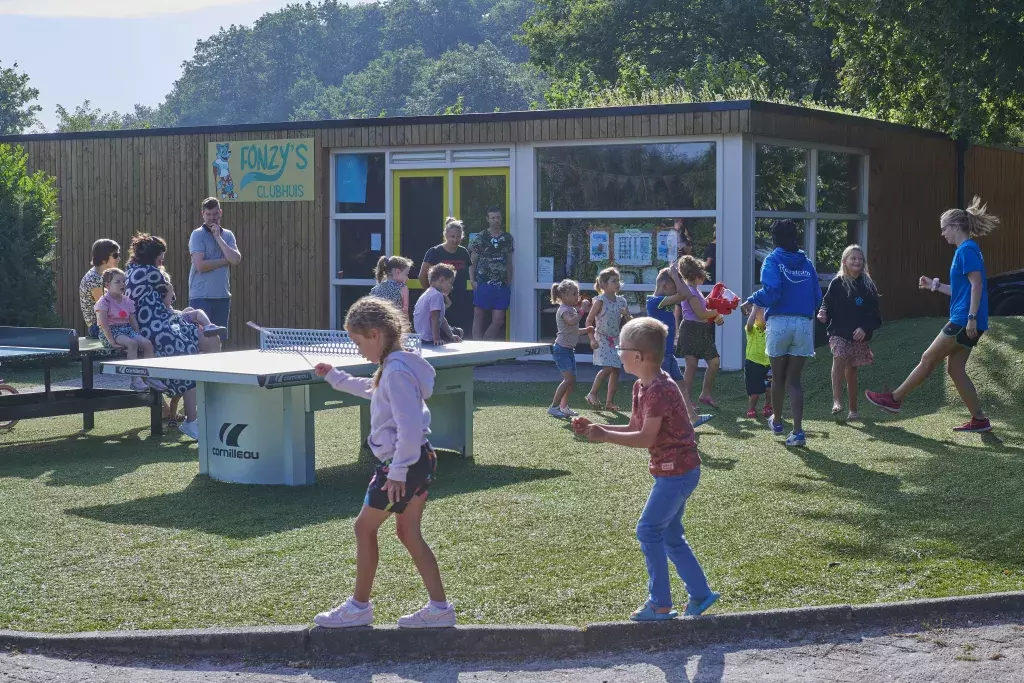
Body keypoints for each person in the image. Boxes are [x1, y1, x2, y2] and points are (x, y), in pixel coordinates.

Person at [312, 297, 455, 629]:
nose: (358, 350)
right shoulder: (395, 367)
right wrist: (335, 377)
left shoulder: (395, 372)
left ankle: (359, 607)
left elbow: (407, 424)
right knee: (408, 533)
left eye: (358, 342)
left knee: (363, 528)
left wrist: (398, 471)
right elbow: (374, 390)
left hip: (404, 462)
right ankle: (440, 609)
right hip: (418, 458)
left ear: (375, 334)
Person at [571, 317, 720, 622]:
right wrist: (598, 427)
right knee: (670, 534)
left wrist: (605, 436)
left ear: (637, 356)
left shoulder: (658, 389)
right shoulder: (643, 385)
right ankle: (701, 594)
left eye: (620, 347)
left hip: (677, 472)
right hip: (674, 470)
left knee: (648, 529)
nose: (617, 351)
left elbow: (645, 438)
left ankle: (660, 604)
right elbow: (636, 426)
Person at [866, 197, 998, 433]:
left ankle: (894, 400)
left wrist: (971, 318)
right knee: (955, 370)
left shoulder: (966, 250)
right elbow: (962, 289)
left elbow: (977, 285)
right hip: (969, 319)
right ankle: (979, 420)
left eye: (944, 229)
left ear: (955, 227)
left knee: (928, 358)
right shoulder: (968, 250)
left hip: (962, 320)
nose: (943, 234)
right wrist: (934, 286)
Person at [746, 219, 821, 447]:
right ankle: (798, 433)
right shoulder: (807, 264)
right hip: (803, 324)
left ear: (774, 238)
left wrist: (751, 300)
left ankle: (777, 422)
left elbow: (771, 293)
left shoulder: (772, 260)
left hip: (778, 323)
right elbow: (817, 297)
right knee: (794, 381)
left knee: (777, 378)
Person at [125, 233, 203, 440]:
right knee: (187, 350)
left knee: (196, 340)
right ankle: (192, 418)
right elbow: (170, 297)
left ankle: (193, 414)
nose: (163, 259)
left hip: (158, 322)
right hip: (155, 326)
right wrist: (167, 285)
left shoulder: (132, 271)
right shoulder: (152, 273)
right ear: (152, 255)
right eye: (160, 255)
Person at [818, 245, 881, 420]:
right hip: (838, 332)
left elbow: (875, 315)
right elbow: (826, 303)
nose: (857, 261)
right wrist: (823, 312)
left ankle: (853, 410)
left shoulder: (868, 286)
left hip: (858, 336)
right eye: (853, 258)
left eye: (860, 259)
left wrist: (865, 328)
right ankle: (837, 401)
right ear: (845, 261)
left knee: (851, 370)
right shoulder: (837, 283)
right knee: (839, 357)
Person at [646, 265, 713, 428]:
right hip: (659, 355)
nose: (676, 291)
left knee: (681, 386)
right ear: (665, 286)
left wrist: (676, 277)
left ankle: (693, 418)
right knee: (663, 390)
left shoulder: (665, 301)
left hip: (668, 354)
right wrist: (675, 275)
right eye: (674, 287)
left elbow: (685, 293)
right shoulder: (654, 302)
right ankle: (658, 422)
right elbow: (684, 294)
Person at [94, 269, 167, 394]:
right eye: (118, 282)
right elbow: (104, 324)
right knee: (132, 344)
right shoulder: (103, 302)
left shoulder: (127, 301)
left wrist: (137, 334)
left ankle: (150, 376)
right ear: (107, 285)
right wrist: (111, 340)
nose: (122, 284)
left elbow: (132, 320)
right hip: (111, 331)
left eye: (124, 281)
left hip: (126, 329)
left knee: (147, 344)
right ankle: (135, 379)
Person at [675, 256, 725, 412]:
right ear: (693, 275)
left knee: (714, 362)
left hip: (702, 331)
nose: (704, 276)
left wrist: (715, 317)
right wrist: (721, 310)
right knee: (691, 366)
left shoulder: (696, 290)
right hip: (690, 330)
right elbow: (701, 314)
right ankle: (686, 401)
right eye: (701, 273)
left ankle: (705, 394)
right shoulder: (690, 292)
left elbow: (705, 314)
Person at [189, 197, 242, 340]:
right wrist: (225, 261)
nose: (212, 218)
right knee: (201, 339)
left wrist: (218, 237)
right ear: (203, 214)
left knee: (219, 339)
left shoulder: (228, 235)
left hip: (222, 296)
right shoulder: (197, 234)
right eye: (208, 214)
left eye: (215, 214)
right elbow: (200, 266)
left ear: (220, 213)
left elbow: (236, 259)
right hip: (201, 297)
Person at [585, 267, 631, 411]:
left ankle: (609, 402)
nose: (617, 283)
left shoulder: (622, 301)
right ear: (603, 285)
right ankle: (592, 393)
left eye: (618, 280)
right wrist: (592, 339)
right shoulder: (600, 301)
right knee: (608, 368)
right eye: (613, 281)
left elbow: (630, 321)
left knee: (616, 370)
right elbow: (588, 322)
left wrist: (627, 315)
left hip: (616, 340)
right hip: (602, 339)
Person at [547, 279, 594, 419]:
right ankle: (553, 407)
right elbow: (572, 321)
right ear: (564, 295)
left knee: (571, 380)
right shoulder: (563, 310)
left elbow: (573, 330)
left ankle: (563, 407)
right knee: (568, 380)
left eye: (577, 293)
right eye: (574, 294)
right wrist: (583, 310)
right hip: (561, 350)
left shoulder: (571, 309)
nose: (577, 297)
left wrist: (587, 330)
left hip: (568, 350)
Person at [420, 218, 473, 336]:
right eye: (452, 237)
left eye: (458, 237)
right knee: (443, 334)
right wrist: (433, 295)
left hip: (460, 300)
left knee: (460, 334)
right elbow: (422, 276)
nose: (455, 240)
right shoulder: (434, 252)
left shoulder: (463, 252)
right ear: (446, 235)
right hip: (441, 302)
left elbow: (469, 272)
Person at [469, 206, 513, 340]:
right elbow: (472, 262)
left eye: (498, 217)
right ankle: (476, 349)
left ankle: (484, 347)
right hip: (483, 282)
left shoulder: (507, 238)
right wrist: (472, 280)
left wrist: (509, 282)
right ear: (487, 219)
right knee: (479, 315)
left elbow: (509, 262)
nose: (496, 220)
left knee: (498, 320)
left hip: (501, 284)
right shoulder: (480, 238)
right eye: (493, 218)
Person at [79, 239, 121, 338]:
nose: (119, 258)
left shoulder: (104, 275)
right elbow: (106, 308)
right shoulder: (93, 279)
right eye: (115, 256)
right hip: (98, 327)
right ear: (103, 259)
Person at [413, 264, 463, 345]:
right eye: (451, 283)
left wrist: (451, 335)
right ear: (442, 280)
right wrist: (437, 338)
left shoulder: (428, 292)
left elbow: (441, 319)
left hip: (422, 336)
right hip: (429, 338)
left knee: (454, 333)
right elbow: (434, 318)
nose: (452, 287)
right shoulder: (437, 295)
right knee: (460, 331)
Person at [742, 303, 773, 419]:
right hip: (754, 364)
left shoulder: (770, 330)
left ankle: (767, 406)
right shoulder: (751, 329)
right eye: (758, 315)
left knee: (769, 388)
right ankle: (751, 408)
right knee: (755, 392)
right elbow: (749, 325)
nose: (763, 316)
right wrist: (754, 308)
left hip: (769, 365)